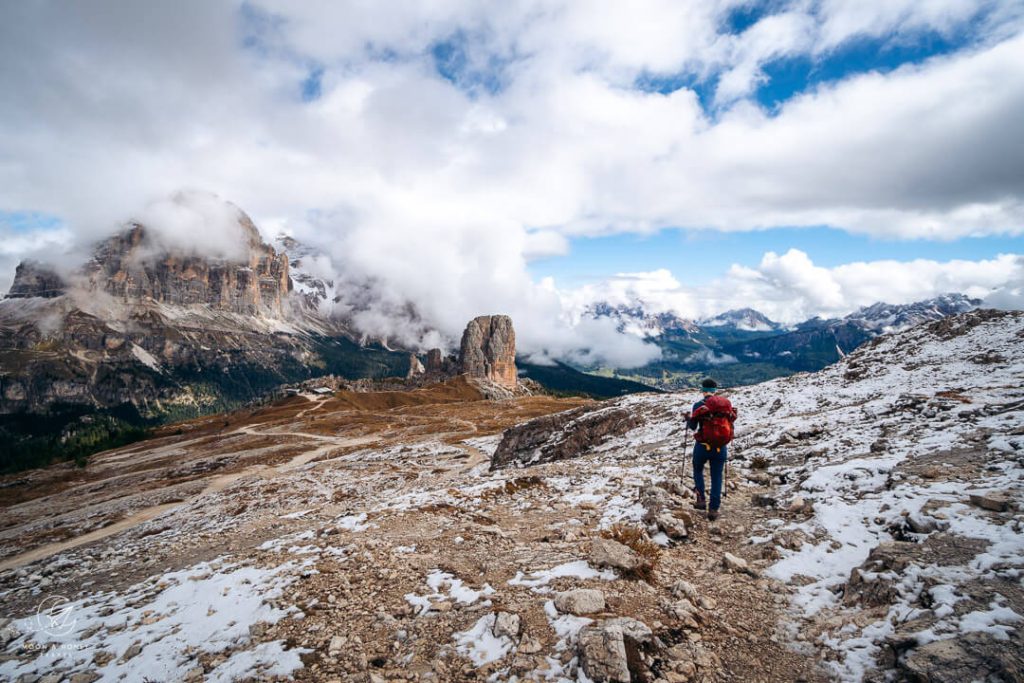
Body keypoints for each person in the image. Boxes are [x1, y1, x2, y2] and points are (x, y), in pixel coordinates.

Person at [685, 378, 737, 521]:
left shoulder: (698, 405)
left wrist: (688, 419)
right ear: (715, 390)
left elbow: (694, 427)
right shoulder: (724, 406)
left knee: (697, 469)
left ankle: (701, 499)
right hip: (720, 447)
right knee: (717, 476)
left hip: (702, 446)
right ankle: (714, 509)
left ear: (703, 390)